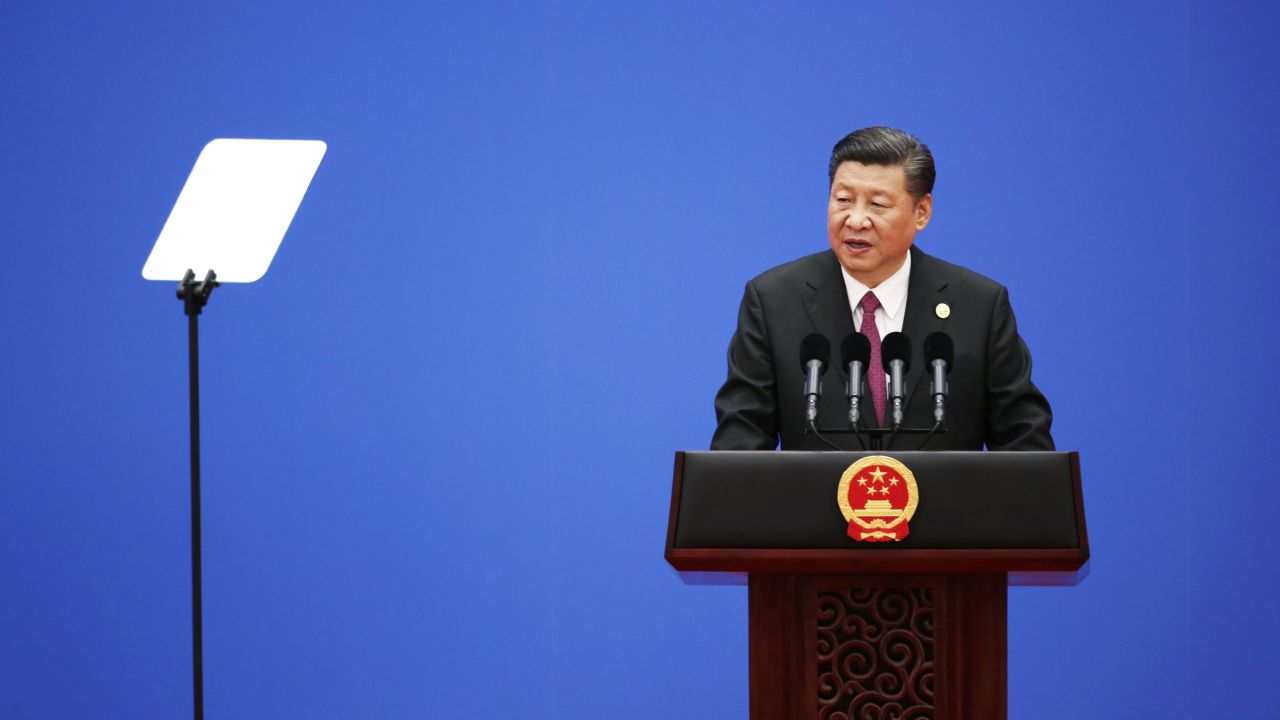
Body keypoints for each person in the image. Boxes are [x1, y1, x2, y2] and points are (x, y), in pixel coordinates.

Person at [710, 126, 1053, 451]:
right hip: (814, 512)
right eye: (843, 199)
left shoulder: (978, 305)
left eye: (877, 205)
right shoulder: (774, 301)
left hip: (945, 513)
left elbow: (1024, 442)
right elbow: (740, 442)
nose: (856, 220)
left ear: (921, 212)